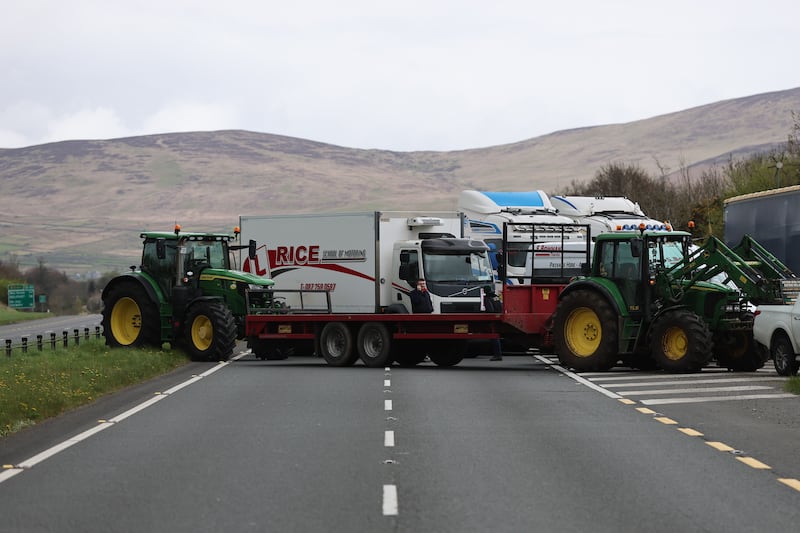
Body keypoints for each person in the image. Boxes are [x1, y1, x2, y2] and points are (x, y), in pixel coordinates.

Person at [483, 285, 503, 360]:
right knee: (496, 336)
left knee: (493, 336)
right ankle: (498, 354)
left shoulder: (487, 298)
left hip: (493, 319)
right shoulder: (496, 297)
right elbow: (500, 306)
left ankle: (497, 355)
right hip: (499, 317)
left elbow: (490, 310)